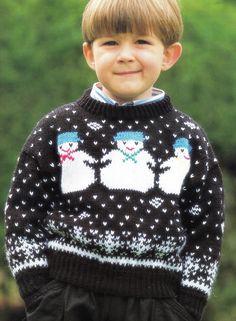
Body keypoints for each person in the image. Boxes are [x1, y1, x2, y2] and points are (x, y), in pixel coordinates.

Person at [5, 0, 224, 320]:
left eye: (142, 41)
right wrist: (39, 292)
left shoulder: (187, 139)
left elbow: (205, 228)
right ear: (90, 54)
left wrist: (186, 307)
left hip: (156, 306)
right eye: (110, 42)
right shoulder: (57, 128)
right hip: (67, 300)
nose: (125, 54)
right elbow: (23, 212)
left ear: (168, 55)